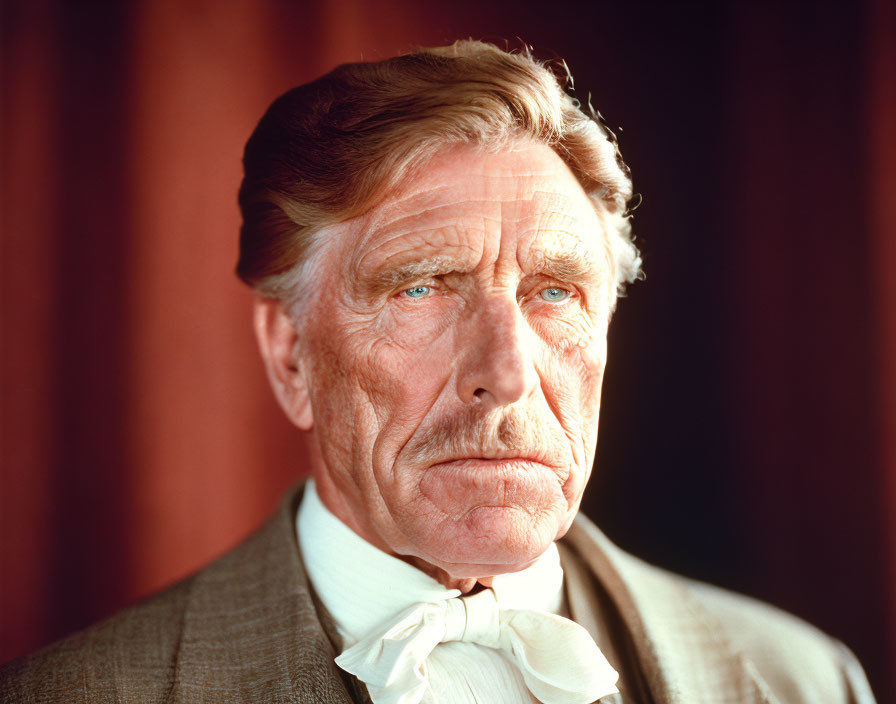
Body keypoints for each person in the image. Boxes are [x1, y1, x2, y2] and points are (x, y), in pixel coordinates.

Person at [0, 40, 876, 704]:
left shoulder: (804, 680)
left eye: (556, 292)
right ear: (290, 353)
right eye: (420, 286)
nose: (506, 373)